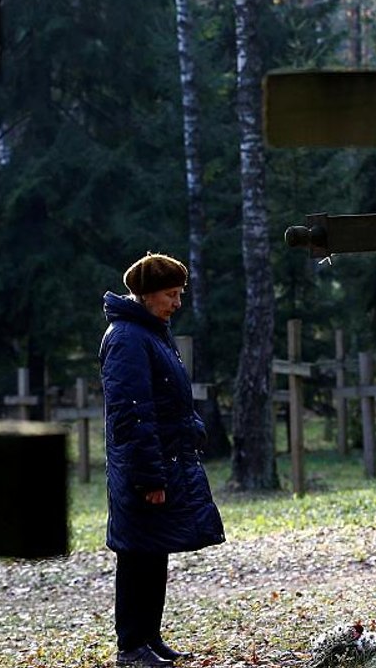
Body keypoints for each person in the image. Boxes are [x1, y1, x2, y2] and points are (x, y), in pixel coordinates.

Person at [100, 252, 225, 668]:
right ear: (147, 295)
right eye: (170, 295)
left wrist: (192, 428)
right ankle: (131, 646)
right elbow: (133, 413)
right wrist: (148, 477)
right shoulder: (126, 338)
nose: (176, 303)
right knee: (137, 554)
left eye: (179, 294)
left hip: (166, 459)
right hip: (145, 466)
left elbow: (168, 396)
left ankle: (149, 637)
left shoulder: (151, 332)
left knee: (155, 550)